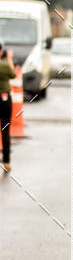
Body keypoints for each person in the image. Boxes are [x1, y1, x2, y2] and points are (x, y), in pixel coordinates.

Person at [0, 44, 16, 173]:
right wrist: (9, 59)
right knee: (5, 130)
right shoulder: (5, 66)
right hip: (4, 99)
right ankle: (6, 161)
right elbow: (13, 74)